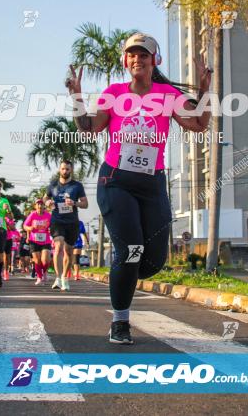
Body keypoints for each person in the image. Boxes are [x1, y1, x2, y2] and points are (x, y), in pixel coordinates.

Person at [69, 32, 211, 344]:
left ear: (153, 60)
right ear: (125, 60)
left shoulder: (167, 95)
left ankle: (128, 272)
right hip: (115, 181)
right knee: (130, 250)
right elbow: (89, 128)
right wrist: (77, 97)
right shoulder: (114, 93)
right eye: (132, 54)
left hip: (152, 182)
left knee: (153, 260)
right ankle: (120, 322)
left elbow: (199, 124)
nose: (137, 59)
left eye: (143, 54)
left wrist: (204, 89)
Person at [44, 160, 88, 292]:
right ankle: (58, 278)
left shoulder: (77, 186)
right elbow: (45, 198)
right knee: (58, 246)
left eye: (67, 169)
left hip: (72, 222)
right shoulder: (53, 185)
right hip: (57, 220)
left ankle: (65, 277)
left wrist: (74, 203)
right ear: (59, 169)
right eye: (63, 169)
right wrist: (48, 203)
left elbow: (85, 204)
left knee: (69, 251)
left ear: (71, 170)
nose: (65, 171)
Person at [24, 199, 53, 285]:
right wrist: (30, 228)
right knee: (37, 260)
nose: (40, 206)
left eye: (41, 204)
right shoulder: (32, 215)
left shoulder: (48, 215)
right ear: (35, 206)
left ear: (44, 206)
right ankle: (39, 277)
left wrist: (51, 229)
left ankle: (44, 272)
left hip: (45, 240)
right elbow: (25, 226)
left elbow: (53, 225)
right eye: (38, 204)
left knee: (45, 260)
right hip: (34, 240)